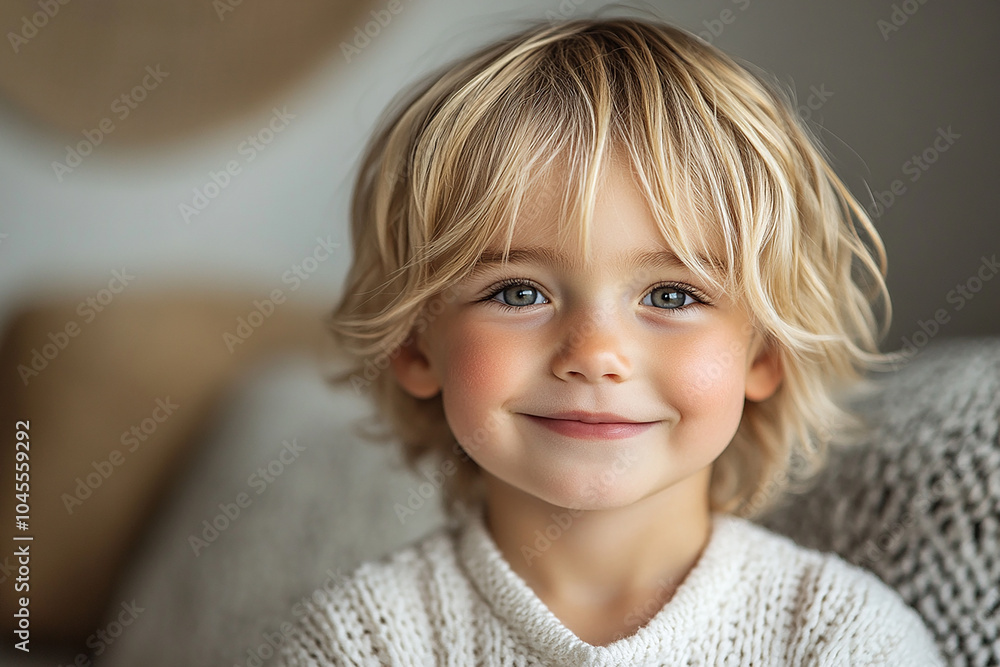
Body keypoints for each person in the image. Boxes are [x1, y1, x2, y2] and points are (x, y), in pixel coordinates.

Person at [276, 16, 944, 665]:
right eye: (518, 291)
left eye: (672, 296)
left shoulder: (843, 638)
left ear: (764, 353)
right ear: (415, 344)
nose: (594, 354)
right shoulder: (356, 641)